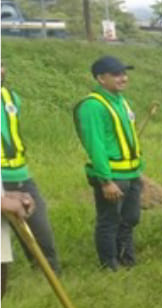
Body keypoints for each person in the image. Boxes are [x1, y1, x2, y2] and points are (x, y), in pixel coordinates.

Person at [73, 56, 145, 271]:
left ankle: (127, 259)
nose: (123, 78)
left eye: (124, 73)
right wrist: (105, 181)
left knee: (130, 218)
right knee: (109, 221)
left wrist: (138, 170)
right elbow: (96, 146)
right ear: (100, 78)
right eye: (116, 74)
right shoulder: (92, 106)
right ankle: (109, 266)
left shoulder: (120, 100)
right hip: (112, 175)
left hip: (131, 172)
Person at [1, 63, 62, 273]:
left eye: (1, 64)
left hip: (20, 175)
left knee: (40, 232)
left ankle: (48, 277)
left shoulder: (10, 98)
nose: (1, 70)